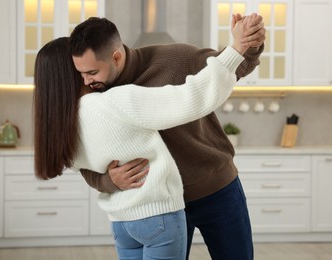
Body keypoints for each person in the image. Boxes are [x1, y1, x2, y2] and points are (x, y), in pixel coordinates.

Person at [34, 17, 249, 259]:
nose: (87, 80)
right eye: (80, 73)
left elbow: (220, 74)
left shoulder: (176, 58)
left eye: (91, 71)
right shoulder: (102, 99)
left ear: (115, 57)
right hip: (164, 205)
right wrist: (109, 181)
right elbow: (85, 162)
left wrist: (247, 44)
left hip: (213, 189)